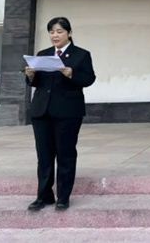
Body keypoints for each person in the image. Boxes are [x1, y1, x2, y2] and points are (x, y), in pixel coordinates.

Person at [24, 17, 96, 211]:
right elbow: (38, 82)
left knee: (65, 154)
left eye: (59, 31)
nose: (55, 35)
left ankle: (63, 197)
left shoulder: (81, 55)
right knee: (44, 156)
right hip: (42, 111)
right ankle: (44, 196)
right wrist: (30, 76)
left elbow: (89, 78)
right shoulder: (43, 54)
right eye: (51, 32)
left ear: (69, 33)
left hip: (67, 112)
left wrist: (71, 74)